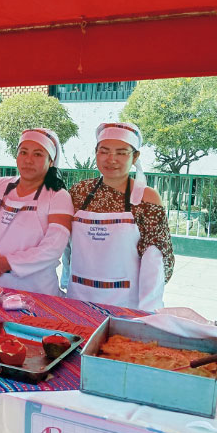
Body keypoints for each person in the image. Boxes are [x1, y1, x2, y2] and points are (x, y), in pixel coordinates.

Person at [65, 122, 174, 311]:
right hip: (78, 295)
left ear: (135, 157)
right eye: (104, 151)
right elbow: (65, 244)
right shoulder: (79, 192)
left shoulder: (146, 197)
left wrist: (148, 310)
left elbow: (157, 257)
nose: (111, 159)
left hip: (125, 303)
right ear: (96, 153)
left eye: (121, 153)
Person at [0, 128, 72, 295]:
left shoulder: (58, 196)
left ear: (51, 161)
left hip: (33, 289)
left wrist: (8, 263)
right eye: (23, 152)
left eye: (38, 154)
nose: (28, 160)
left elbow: (53, 246)